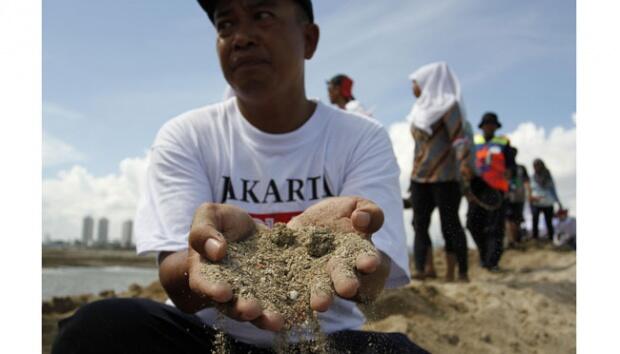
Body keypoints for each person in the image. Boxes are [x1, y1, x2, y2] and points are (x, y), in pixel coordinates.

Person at [51, 1, 427, 353]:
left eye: (262, 15)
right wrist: (210, 258)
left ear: (308, 39)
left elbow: (372, 279)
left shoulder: (361, 137)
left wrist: (351, 251)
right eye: (226, 24)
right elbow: (175, 277)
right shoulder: (187, 135)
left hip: (321, 341)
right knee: (97, 328)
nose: (241, 36)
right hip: (202, 337)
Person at [405, 62, 473, 282]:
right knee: (419, 223)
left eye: (415, 82)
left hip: (445, 176)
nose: (413, 87)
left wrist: (463, 163)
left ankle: (458, 271)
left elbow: (459, 138)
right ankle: (423, 269)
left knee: (450, 223)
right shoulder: (418, 110)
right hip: (419, 177)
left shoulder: (448, 106)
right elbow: (418, 147)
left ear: (428, 82)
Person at [467, 112, 515, 272]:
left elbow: (511, 166)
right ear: (482, 126)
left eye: (492, 124)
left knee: (495, 228)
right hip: (477, 190)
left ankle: (492, 262)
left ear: (496, 126)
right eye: (487, 124)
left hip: (497, 191)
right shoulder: (474, 142)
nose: (489, 127)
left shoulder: (504, 142)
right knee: (473, 224)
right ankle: (484, 254)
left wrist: (509, 177)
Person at [504, 147, 531, 248]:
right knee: (511, 218)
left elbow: (526, 181)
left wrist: (529, 193)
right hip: (511, 196)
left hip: (517, 197)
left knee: (513, 218)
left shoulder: (520, 168)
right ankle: (513, 240)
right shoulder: (505, 168)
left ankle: (514, 240)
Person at [530, 158, 562, 240]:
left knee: (549, 221)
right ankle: (535, 238)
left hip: (547, 202)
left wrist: (558, 202)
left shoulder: (548, 177)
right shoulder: (532, 177)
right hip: (535, 202)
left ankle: (551, 238)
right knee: (535, 220)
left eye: (537, 165)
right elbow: (529, 189)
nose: (535, 167)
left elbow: (553, 190)